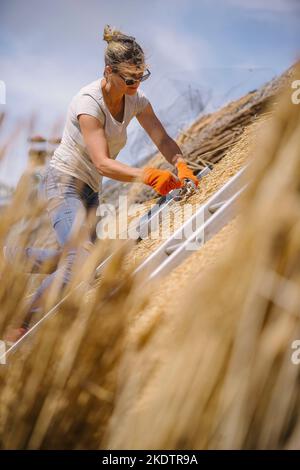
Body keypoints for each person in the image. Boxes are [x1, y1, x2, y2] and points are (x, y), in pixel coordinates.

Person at [4, 24, 199, 343]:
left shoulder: (136, 100)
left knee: (85, 261)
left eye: (142, 76)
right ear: (109, 71)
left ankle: (11, 256)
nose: (136, 84)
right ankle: (20, 318)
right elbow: (103, 162)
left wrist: (180, 164)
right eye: (130, 78)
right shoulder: (88, 104)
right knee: (80, 259)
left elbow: (161, 137)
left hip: (89, 191)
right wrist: (148, 175)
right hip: (63, 184)